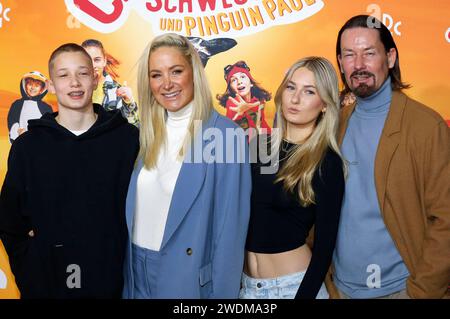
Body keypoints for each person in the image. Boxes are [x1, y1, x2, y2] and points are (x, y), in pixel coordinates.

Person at [0, 43, 139, 298]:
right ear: (51, 86)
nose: (74, 82)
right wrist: (32, 272)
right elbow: (10, 223)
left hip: (115, 288)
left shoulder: (128, 140)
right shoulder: (27, 147)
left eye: (82, 73)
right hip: (47, 288)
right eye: (63, 75)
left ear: (95, 79)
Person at [122, 33, 251, 299]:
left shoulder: (225, 135)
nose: (166, 84)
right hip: (134, 274)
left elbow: (230, 234)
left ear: (194, 71)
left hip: (186, 278)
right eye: (156, 75)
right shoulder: (145, 132)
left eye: (176, 71)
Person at [331, 15, 450, 299]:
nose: (359, 65)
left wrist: (421, 292)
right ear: (340, 63)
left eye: (369, 53)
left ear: (391, 57)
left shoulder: (426, 126)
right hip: (341, 290)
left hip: (401, 290)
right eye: (349, 55)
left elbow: (445, 218)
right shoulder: (334, 125)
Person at [241, 57, 346, 299]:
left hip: (294, 288)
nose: (295, 99)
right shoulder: (260, 147)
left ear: (325, 105)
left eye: (309, 91)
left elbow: (324, 248)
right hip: (247, 289)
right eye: (291, 87)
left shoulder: (327, 162)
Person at [81, 39, 139, 126]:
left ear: (104, 61)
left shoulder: (117, 91)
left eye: (97, 60)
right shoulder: (73, 88)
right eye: (87, 60)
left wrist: (129, 102)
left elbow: (134, 127)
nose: (92, 65)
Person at [217, 61, 272, 137]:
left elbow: (261, 124)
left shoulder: (259, 99)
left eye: (242, 77)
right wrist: (246, 110)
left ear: (251, 83)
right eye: (234, 80)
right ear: (231, 89)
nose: (239, 82)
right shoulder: (232, 103)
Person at [7, 71, 53, 143]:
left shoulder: (46, 107)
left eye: (37, 85)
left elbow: (49, 126)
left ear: (42, 90)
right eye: (30, 84)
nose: (33, 88)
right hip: (20, 141)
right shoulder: (17, 104)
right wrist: (17, 131)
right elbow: (12, 120)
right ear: (24, 85)